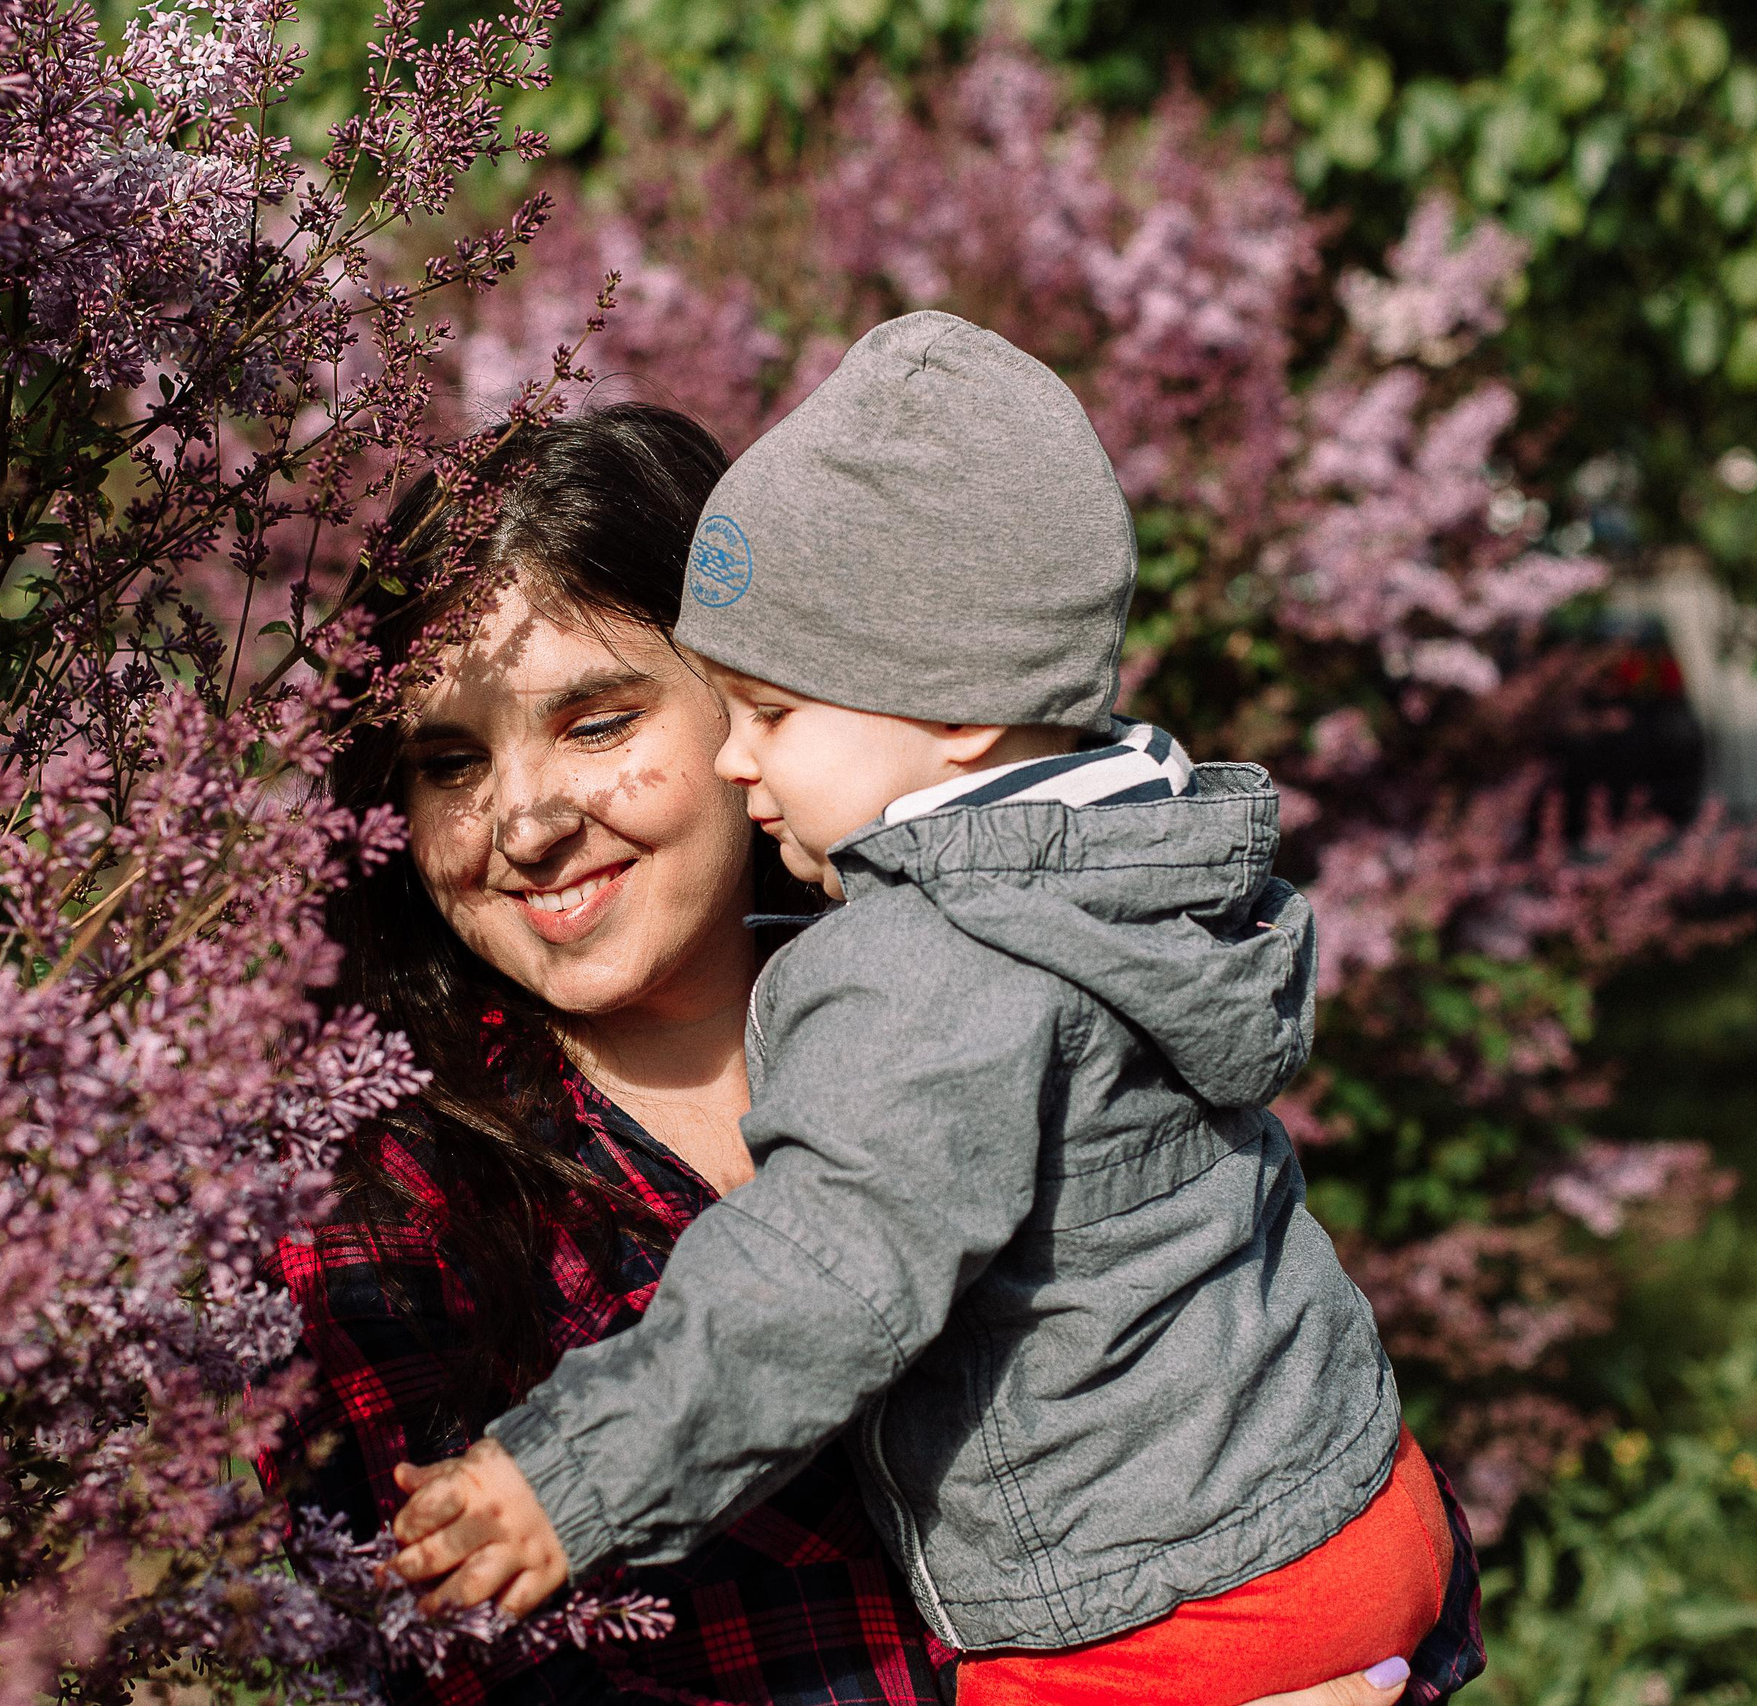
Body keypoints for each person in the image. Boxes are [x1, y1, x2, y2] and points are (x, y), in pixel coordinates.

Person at [268, 400, 1485, 1706]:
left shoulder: (955, 984)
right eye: (448, 762)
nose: (523, 822)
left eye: (599, 723)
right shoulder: (375, 1216)